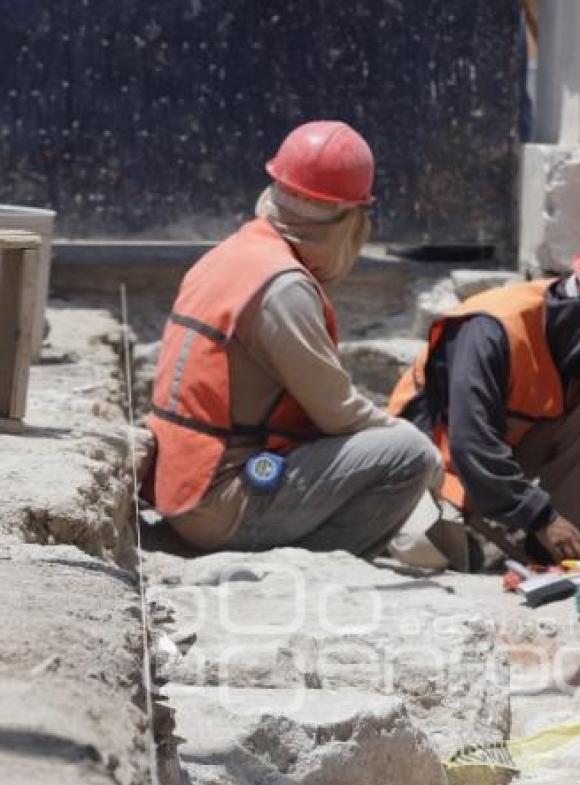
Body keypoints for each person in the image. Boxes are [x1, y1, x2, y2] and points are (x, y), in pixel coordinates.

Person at [145, 120, 440, 556]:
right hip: (220, 500)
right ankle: (325, 561)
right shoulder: (283, 288)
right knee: (409, 454)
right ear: (349, 218)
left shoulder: (234, 253)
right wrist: (421, 451)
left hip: (183, 484)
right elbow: (338, 414)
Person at [387, 236, 580, 569]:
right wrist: (540, 517)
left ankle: (558, 561)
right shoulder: (490, 330)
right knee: (422, 551)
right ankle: (469, 545)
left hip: (503, 461)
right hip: (435, 467)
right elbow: (471, 444)